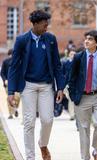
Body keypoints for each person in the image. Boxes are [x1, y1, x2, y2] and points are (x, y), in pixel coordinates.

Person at [7, 10, 64, 160]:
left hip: (46, 86)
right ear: (36, 24)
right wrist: (11, 91)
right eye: (44, 25)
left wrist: (60, 87)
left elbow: (57, 65)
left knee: (47, 120)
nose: (46, 28)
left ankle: (42, 144)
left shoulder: (50, 39)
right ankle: (30, 157)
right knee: (29, 121)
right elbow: (14, 66)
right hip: (28, 86)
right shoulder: (22, 40)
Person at [68, 30, 97, 160]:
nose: (86, 41)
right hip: (82, 97)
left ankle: (95, 149)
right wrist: (73, 94)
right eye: (86, 39)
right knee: (83, 129)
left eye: (90, 39)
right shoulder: (78, 57)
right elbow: (72, 77)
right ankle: (85, 157)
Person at [0, 49, 20, 119]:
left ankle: (15, 108)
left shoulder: (17, 61)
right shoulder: (5, 62)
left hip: (16, 83)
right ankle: (11, 114)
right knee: (9, 98)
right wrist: (5, 80)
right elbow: (2, 73)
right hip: (8, 83)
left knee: (17, 97)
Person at [62, 49, 76, 120]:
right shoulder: (65, 63)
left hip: (75, 84)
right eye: (71, 54)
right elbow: (63, 73)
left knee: (72, 100)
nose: (73, 56)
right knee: (70, 99)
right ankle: (72, 114)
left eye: (74, 54)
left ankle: (73, 114)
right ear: (69, 55)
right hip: (67, 84)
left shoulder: (77, 63)